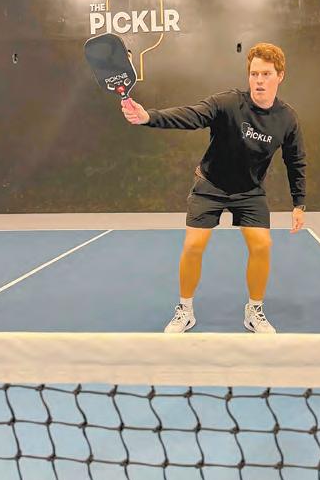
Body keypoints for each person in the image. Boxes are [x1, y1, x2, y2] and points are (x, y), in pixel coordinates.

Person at [121, 42, 306, 334]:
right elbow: (191, 115)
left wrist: (299, 203)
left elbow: (295, 160)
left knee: (262, 245)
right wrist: (148, 117)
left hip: (249, 191)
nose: (259, 80)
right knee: (193, 245)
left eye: (266, 74)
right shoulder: (228, 103)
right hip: (210, 185)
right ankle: (185, 309)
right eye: (254, 74)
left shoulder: (287, 119)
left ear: (280, 75)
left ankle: (254, 310)